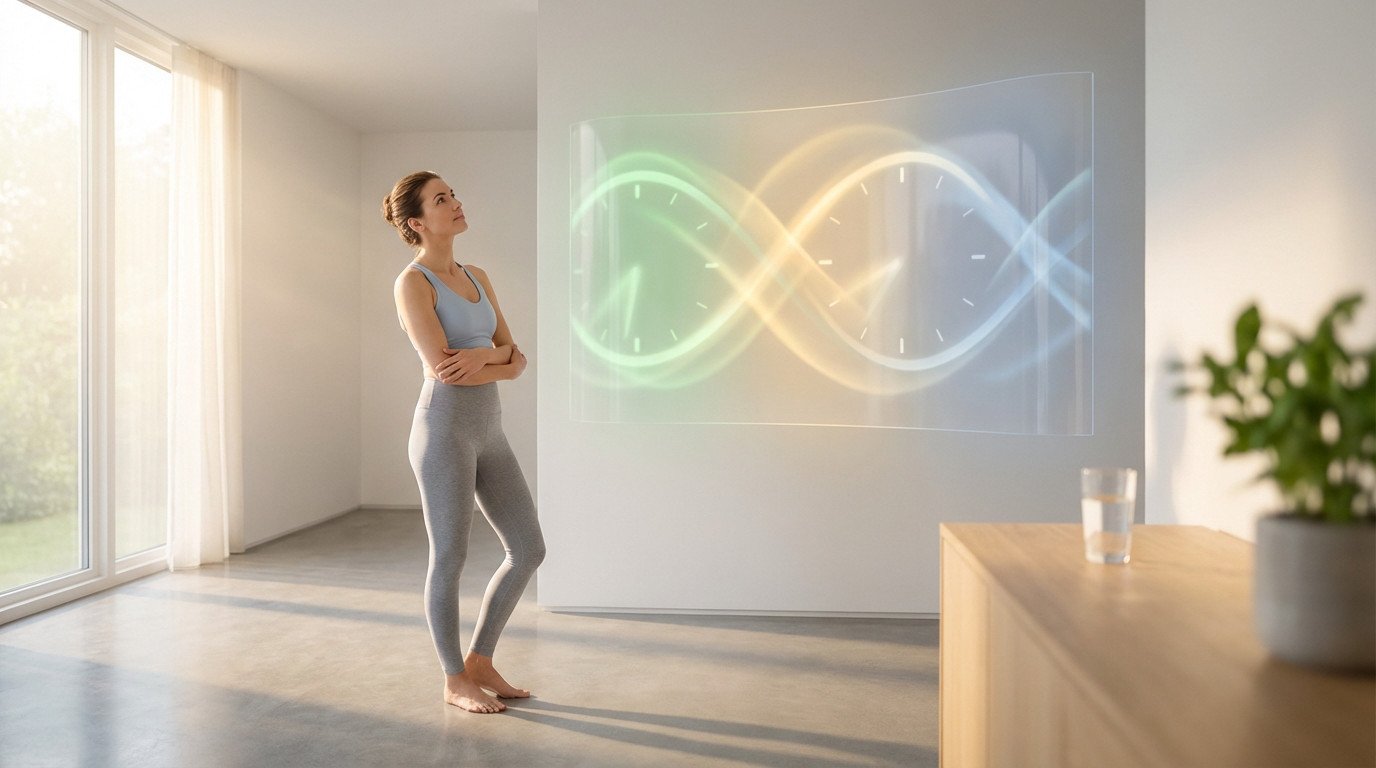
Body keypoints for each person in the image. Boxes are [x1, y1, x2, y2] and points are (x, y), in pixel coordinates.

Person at [382, 171, 545, 714]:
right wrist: (492, 360)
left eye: (453, 194)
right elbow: (445, 371)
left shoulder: (477, 276)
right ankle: (454, 679)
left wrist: (483, 358)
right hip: (443, 431)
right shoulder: (414, 282)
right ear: (417, 222)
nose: (455, 203)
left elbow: (517, 357)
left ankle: (480, 661)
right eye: (441, 199)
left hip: (489, 430)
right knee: (449, 555)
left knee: (528, 549)